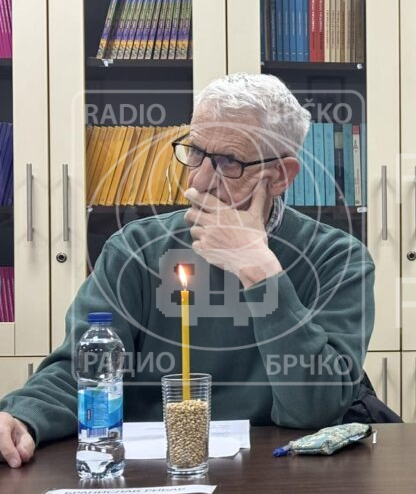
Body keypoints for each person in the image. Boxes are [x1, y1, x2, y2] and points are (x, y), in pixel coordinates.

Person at [0, 73, 380, 468]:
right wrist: (21, 417)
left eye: (229, 162)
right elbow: (84, 371)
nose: (198, 180)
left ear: (281, 176)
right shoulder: (136, 248)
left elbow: (316, 409)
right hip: (152, 472)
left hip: (280, 473)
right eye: (195, 152)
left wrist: (260, 271)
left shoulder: (339, 258)